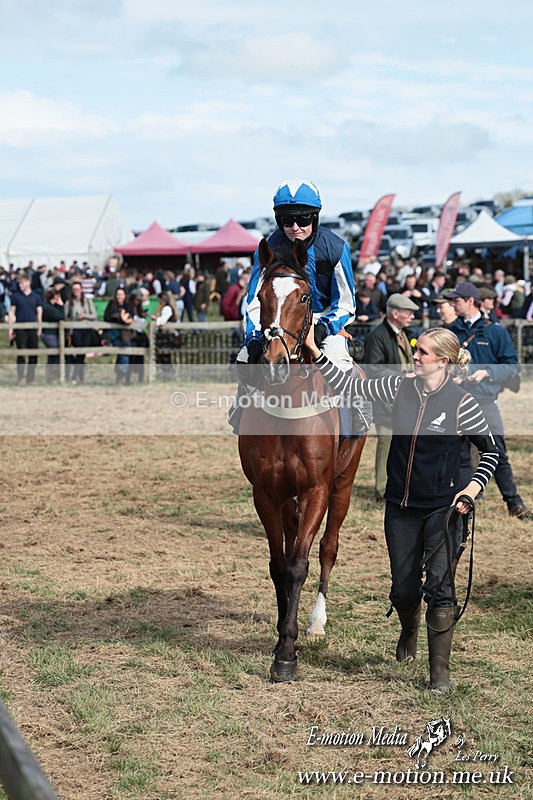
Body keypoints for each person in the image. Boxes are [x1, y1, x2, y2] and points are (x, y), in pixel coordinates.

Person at [305, 326, 499, 692]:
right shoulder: (398, 387)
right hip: (400, 507)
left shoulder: (462, 402)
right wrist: (316, 350)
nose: (416, 356)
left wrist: (471, 491)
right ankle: (408, 628)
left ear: (442, 360)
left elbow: (491, 452)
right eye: (416, 349)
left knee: (440, 588)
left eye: (423, 352)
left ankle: (439, 674)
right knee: (403, 590)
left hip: (445, 510)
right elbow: (349, 386)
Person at [240, 178, 355, 372]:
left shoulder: (336, 249)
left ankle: (348, 402)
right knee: (244, 363)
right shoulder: (267, 250)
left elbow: (346, 303)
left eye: (303, 219)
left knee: (338, 362)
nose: (295, 227)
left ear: (315, 217)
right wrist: (253, 339)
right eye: (287, 220)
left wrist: (323, 329)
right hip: (279, 322)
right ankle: (241, 403)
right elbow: (253, 303)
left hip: (324, 320)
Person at [448, 282, 532, 520]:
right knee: (460, 454)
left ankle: (514, 503)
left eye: (457, 300)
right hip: (457, 402)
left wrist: (488, 373)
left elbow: (512, 366)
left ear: (471, 301)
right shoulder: (451, 331)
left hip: (485, 401)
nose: (453, 304)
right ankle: (463, 501)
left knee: (497, 453)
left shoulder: (495, 331)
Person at [363, 293, 418, 500]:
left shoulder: (405, 334)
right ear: (395, 313)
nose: (412, 317)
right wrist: (402, 376)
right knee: (386, 444)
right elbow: (373, 370)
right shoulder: (377, 336)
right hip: (386, 402)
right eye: (408, 313)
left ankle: (400, 485)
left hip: (405, 400)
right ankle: (381, 490)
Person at [8, 271, 42, 385]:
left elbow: (39, 313)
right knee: (21, 354)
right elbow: (12, 313)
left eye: (21, 283)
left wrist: (39, 327)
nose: (20, 285)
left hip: (32, 328)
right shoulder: (16, 296)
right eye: (19, 283)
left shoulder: (36, 297)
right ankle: (21, 377)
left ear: (28, 282)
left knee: (34, 354)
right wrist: (10, 329)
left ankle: (31, 378)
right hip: (20, 328)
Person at [64, 281, 97, 385]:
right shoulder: (69, 303)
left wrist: (85, 316)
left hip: (86, 330)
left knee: (82, 353)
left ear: (81, 290)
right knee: (79, 352)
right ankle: (77, 377)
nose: (76, 291)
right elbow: (66, 317)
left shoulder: (87, 301)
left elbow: (94, 315)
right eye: (74, 289)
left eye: (78, 289)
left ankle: (78, 377)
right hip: (75, 330)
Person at [104, 287, 134, 384]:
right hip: (114, 333)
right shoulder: (111, 304)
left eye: (121, 294)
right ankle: (122, 374)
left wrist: (120, 317)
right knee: (123, 351)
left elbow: (130, 317)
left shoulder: (128, 305)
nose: (119, 296)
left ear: (125, 295)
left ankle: (120, 374)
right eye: (118, 294)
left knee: (124, 352)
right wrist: (120, 317)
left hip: (125, 333)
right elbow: (107, 317)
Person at [41, 285, 65, 382]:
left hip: (55, 334)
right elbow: (61, 316)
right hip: (48, 334)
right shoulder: (47, 307)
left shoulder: (53, 307)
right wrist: (61, 305)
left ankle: (53, 377)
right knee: (55, 353)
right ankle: (52, 376)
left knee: (53, 355)